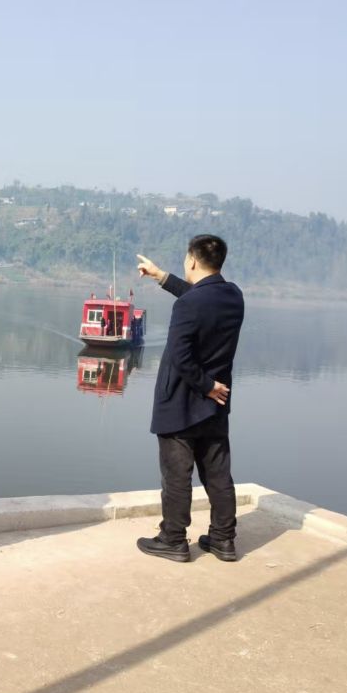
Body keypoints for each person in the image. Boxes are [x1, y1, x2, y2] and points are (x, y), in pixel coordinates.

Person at [135, 236, 244, 564]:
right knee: (218, 474)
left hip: (181, 402)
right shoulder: (233, 296)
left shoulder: (189, 305)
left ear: (192, 260)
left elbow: (180, 357)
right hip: (216, 403)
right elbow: (199, 297)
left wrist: (205, 385)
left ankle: (173, 539)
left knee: (177, 475)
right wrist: (161, 276)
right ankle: (224, 539)